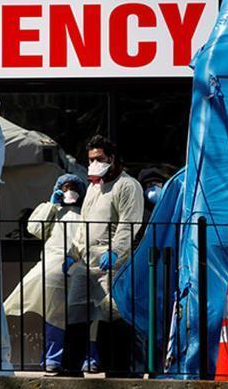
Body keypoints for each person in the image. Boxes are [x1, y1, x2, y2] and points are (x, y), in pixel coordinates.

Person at [65, 135, 144, 373]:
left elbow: (129, 224)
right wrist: (73, 253)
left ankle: (117, 369)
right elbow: (84, 224)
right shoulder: (94, 186)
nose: (94, 164)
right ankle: (71, 368)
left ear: (112, 157)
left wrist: (115, 251)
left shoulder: (127, 186)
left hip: (112, 263)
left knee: (113, 314)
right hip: (86, 262)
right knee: (75, 312)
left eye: (99, 158)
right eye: (90, 159)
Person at [3, 174, 87, 372]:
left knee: (81, 317)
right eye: (65, 188)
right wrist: (51, 205)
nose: (69, 191)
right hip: (53, 268)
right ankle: (53, 359)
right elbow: (34, 229)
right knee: (55, 315)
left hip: (79, 267)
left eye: (73, 188)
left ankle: (83, 359)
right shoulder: (53, 211)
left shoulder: (86, 213)